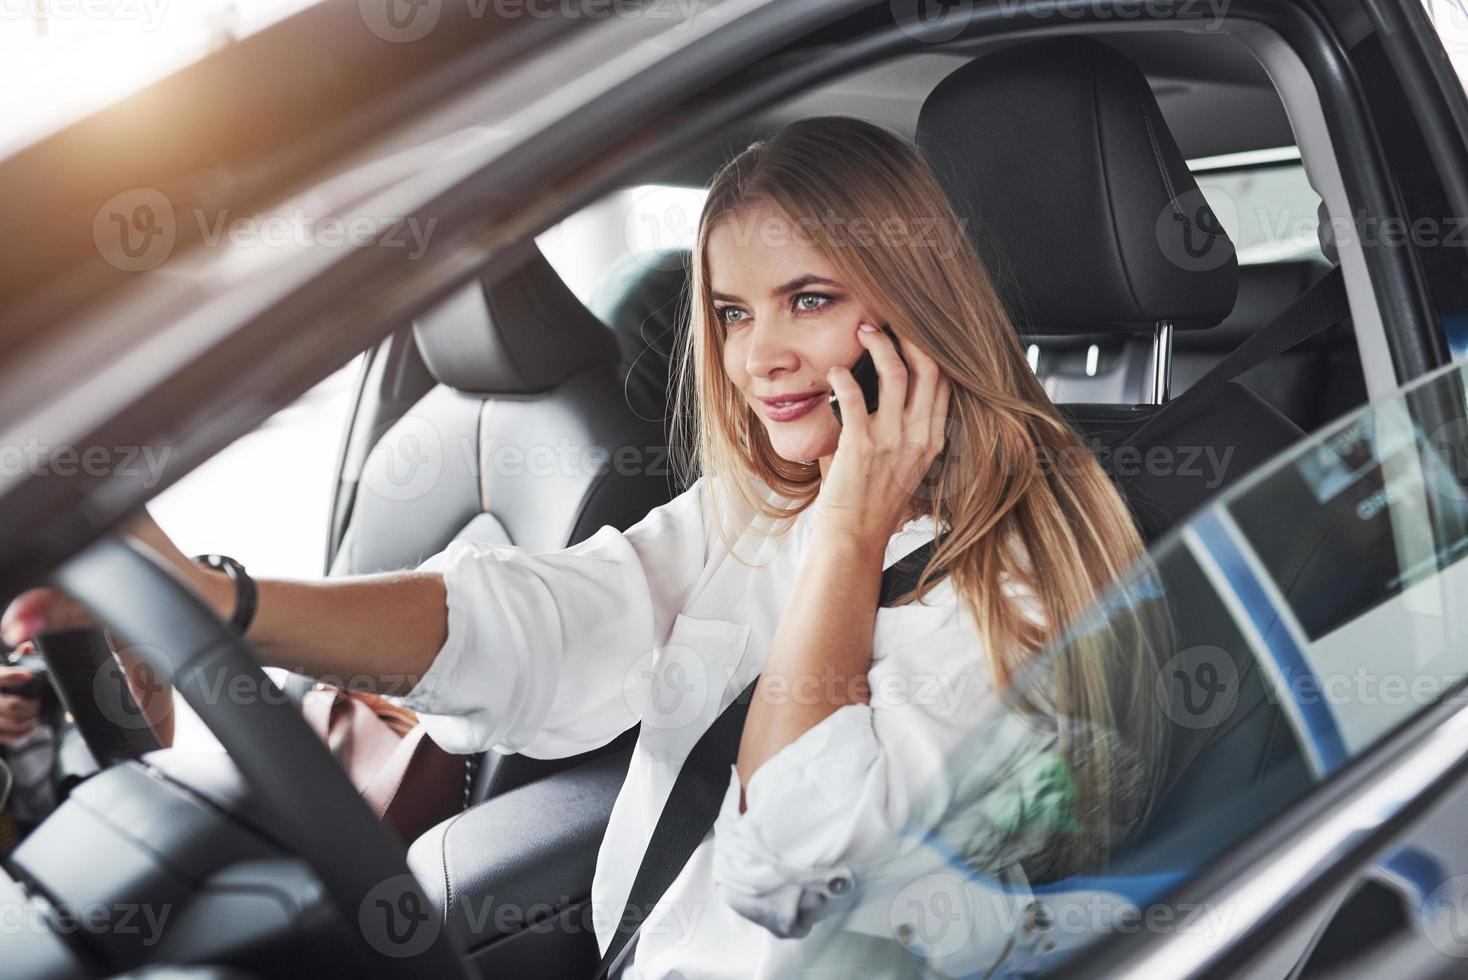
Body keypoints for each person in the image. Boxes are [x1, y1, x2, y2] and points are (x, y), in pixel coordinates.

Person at [0, 115, 1171, 977]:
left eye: (807, 297)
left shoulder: (1012, 585)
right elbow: (542, 623)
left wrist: (855, 530)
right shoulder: (764, 509)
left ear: (916, 306)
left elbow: (787, 858)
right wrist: (220, 598)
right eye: (730, 310)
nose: (755, 357)